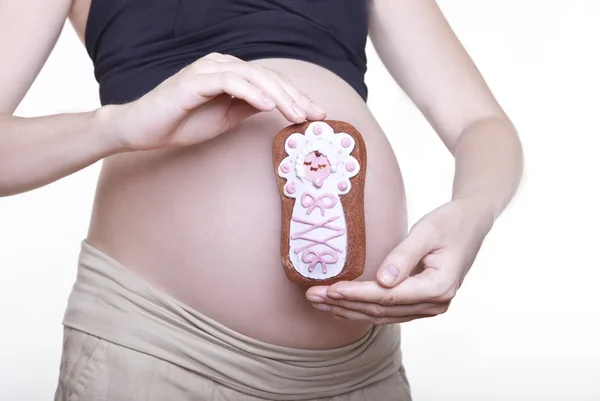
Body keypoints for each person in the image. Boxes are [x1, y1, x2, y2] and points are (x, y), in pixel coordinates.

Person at [0, 0, 523, 400]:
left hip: (359, 371)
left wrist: (473, 210)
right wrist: (116, 126)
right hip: (158, 349)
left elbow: (481, 123)